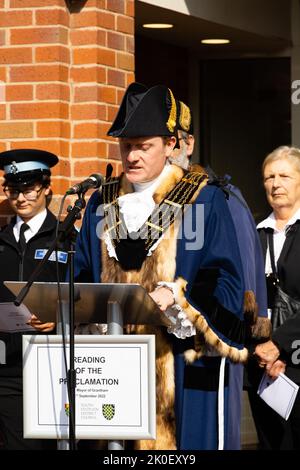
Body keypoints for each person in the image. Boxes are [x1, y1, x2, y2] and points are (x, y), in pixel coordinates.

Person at [74, 82, 248, 450]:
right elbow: (81, 275)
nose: (132, 156)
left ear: (170, 145)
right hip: (113, 373)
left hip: (179, 368)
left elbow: (228, 284)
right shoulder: (99, 205)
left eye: (143, 146)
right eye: (126, 146)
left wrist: (178, 296)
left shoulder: (205, 199)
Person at [170, 98, 271, 448]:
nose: (169, 152)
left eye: (175, 141)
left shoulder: (219, 198)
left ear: (189, 144)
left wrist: (254, 333)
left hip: (209, 346)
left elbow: (243, 281)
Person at [0, 148, 73, 450]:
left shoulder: (67, 239)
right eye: (13, 189)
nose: (21, 197)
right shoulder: (0, 240)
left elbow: (82, 295)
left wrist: (60, 317)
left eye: (28, 188)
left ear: (46, 187)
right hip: (7, 370)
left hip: (51, 364)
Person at [250, 145, 300, 450]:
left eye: (284, 175)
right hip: (263, 364)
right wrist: (261, 347)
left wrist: (278, 344)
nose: (275, 183)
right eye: (269, 176)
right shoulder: (255, 232)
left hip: (293, 357)